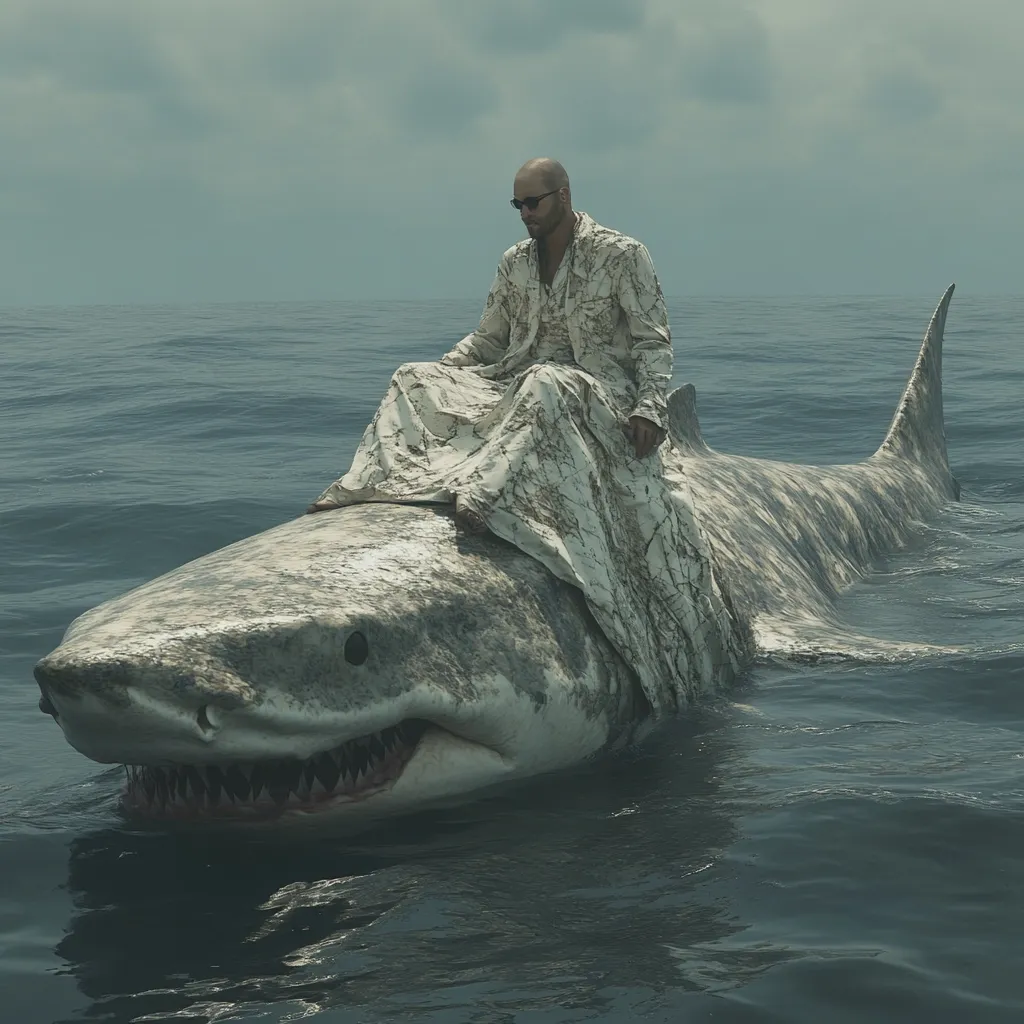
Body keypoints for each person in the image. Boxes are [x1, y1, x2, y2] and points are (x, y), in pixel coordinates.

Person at [306, 157, 745, 717]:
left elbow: (652, 342)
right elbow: (489, 340)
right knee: (410, 375)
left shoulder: (622, 254)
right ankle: (367, 483)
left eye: (533, 203)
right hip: (515, 378)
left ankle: (483, 496)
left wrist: (650, 409)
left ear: (563, 195)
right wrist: (443, 370)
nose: (524, 214)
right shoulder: (514, 263)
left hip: (594, 389)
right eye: (517, 205)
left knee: (546, 381)